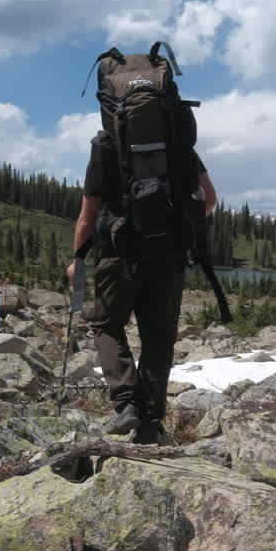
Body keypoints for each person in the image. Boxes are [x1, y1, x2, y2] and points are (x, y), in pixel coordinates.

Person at [68, 133, 216, 444]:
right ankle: (150, 423)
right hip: (167, 258)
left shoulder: (107, 143)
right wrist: (178, 231)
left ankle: (125, 404)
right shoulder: (177, 141)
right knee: (159, 339)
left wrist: (78, 260)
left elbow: (88, 215)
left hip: (116, 254)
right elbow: (210, 199)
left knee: (106, 325)